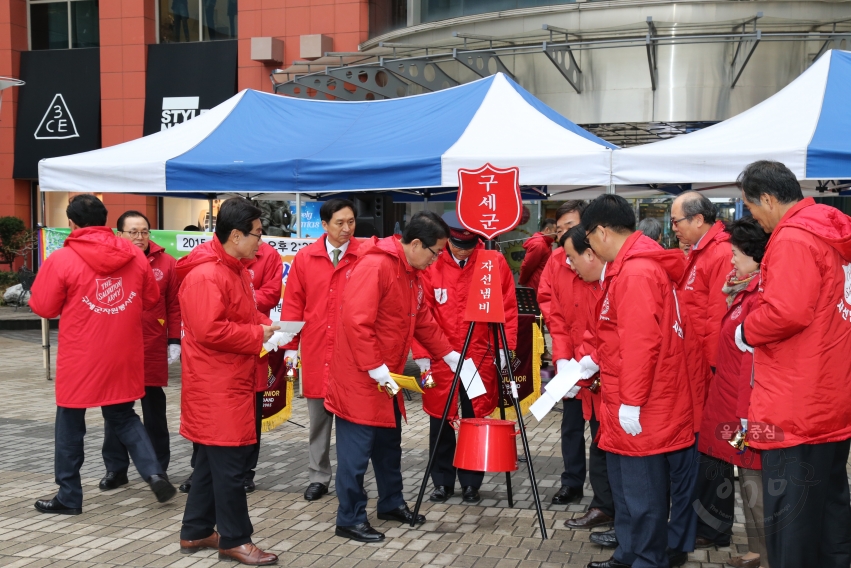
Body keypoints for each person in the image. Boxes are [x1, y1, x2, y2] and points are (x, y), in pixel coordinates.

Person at [737, 160, 851, 568]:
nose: (753, 218)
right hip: (829, 394)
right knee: (830, 510)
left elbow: (786, 312)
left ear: (768, 198)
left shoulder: (793, 238)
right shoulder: (830, 232)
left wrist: (748, 329)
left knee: (793, 518)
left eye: (751, 208)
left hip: (794, 401)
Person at [30, 194, 175, 515]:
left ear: (71, 223)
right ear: (107, 222)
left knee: (70, 422)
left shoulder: (62, 259)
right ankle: (153, 472)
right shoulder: (135, 257)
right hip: (123, 351)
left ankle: (69, 495)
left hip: (80, 354)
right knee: (124, 417)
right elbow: (151, 298)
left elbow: (43, 306)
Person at [325, 211, 461, 543]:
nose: (436, 260)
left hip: (388, 378)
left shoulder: (411, 271)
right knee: (355, 456)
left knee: (389, 448)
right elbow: (357, 322)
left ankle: (391, 503)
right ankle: (350, 518)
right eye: (434, 252)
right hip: (361, 378)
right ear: (415, 244)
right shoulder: (377, 266)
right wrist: (375, 367)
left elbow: (423, 319)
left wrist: (449, 354)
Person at [582, 195, 695, 568]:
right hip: (628, 396)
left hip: (643, 402)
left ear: (601, 231)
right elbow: (619, 335)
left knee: (642, 494)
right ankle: (629, 554)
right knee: (627, 489)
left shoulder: (635, 272)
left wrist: (631, 399)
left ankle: (647, 559)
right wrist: (591, 362)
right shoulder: (629, 267)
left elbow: (640, 342)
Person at [177, 197, 286, 565]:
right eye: (257, 233)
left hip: (227, 380)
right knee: (229, 466)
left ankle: (195, 531)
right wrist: (258, 335)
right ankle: (235, 539)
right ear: (236, 235)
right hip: (216, 384)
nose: (262, 241)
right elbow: (210, 330)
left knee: (210, 462)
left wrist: (264, 326)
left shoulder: (232, 268)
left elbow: (239, 313)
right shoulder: (207, 274)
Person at [413, 211, 518, 505]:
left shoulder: (492, 263)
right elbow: (421, 313)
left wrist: (503, 348)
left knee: (474, 417)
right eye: (456, 245)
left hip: (478, 355)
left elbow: (508, 309)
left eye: (467, 247)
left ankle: (472, 483)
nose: (461, 251)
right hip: (441, 356)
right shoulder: (432, 265)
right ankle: (442, 482)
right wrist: (422, 354)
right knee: (440, 420)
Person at [279, 198, 364, 502]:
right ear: (324, 225)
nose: (346, 229)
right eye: (339, 223)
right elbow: (293, 305)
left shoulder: (363, 255)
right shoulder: (306, 258)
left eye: (351, 222)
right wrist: (290, 347)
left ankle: (350, 476)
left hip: (351, 351)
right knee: (318, 419)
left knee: (351, 420)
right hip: (316, 348)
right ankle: (318, 475)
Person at [698, 217, 768, 568]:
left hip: (746, 408)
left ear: (756, 257)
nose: (731, 261)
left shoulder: (758, 297)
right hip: (731, 402)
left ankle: (767, 555)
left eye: (737, 254)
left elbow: (751, 366)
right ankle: (758, 550)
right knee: (746, 482)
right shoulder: (742, 291)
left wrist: (744, 414)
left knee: (755, 485)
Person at [99, 211, 181, 491]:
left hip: (151, 344)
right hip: (117, 346)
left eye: (144, 231)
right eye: (133, 231)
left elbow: (174, 306)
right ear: (119, 234)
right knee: (116, 411)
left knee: (154, 411)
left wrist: (174, 340)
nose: (140, 237)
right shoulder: (109, 262)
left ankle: (158, 469)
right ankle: (116, 469)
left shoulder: (167, 263)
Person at [670, 191, 733, 551]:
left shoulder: (720, 252)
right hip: (697, 368)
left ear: (698, 219)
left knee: (713, 450)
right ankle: (707, 524)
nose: (674, 228)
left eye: (677, 221)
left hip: (710, 370)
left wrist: (711, 370)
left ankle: (714, 527)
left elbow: (717, 316)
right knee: (706, 448)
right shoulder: (701, 251)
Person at [557, 225, 614, 530]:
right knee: (595, 442)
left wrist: (589, 360)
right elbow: (559, 318)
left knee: (606, 445)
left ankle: (614, 512)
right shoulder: (594, 277)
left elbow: (611, 331)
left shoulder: (619, 280)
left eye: (571, 257)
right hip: (586, 370)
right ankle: (605, 507)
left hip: (610, 380)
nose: (568, 264)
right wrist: (567, 360)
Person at [243, 236, 284, 492]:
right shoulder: (211, 255)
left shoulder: (268, 255)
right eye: (255, 232)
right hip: (222, 352)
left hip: (257, 341)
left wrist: (239, 298)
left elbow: (271, 295)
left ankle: (246, 471)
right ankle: (201, 468)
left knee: (253, 410)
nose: (260, 239)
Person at [536, 201, 585, 322]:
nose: (564, 235)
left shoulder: (599, 255)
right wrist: (558, 332)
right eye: (559, 231)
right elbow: (546, 297)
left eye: (570, 228)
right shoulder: (556, 257)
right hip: (564, 336)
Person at [518, 217, 556, 292]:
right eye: (555, 231)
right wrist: (522, 282)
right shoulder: (539, 244)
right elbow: (527, 266)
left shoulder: (545, 243)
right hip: (536, 285)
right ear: (547, 230)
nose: (556, 234)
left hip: (539, 284)